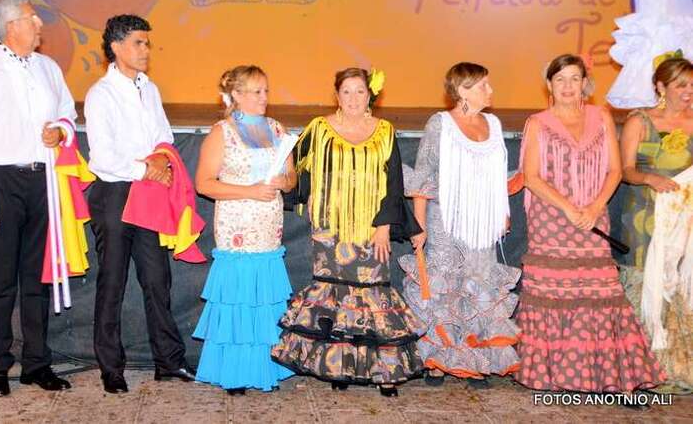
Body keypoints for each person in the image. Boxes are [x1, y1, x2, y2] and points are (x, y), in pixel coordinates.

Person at [515, 54, 664, 395]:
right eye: (560, 79)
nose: (567, 86)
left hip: (594, 217)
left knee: (601, 294)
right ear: (549, 85)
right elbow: (532, 177)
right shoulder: (537, 122)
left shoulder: (601, 117)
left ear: (585, 83)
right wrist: (568, 208)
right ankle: (554, 375)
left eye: (574, 78)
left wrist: (596, 207)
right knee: (555, 295)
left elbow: (615, 170)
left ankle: (603, 376)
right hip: (552, 220)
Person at [271, 68, 425, 397]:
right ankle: (338, 366)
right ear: (337, 95)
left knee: (374, 296)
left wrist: (384, 226)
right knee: (335, 297)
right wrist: (297, 183)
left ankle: (385, 372)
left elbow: (394, 183)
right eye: (346, 91)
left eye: (359, 91)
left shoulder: (385, 131)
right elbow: (295, 162)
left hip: (371, 230)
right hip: (331, 229)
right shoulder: (319, 128)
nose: (353, 98)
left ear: (370, 95)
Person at [0, 0, 74, 397]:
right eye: (31, 18)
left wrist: (60, 131)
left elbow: (68, 112)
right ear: (10, 27)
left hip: (43, 180)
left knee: (38, 277)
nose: (39, 24)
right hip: (1, 181)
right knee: (1, 279)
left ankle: (37, 364)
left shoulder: (48, 67)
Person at [84, 15, 195, 394]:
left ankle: (169, 361)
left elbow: (164, 134)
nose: (146, 50)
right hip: (115, 194)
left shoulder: (150, 88)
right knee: (112, 282)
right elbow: (102, 158)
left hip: (148, 193)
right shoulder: (101, 94)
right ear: (116, 47)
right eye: (138, 43)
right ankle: (111, 368)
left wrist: (161, 158)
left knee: (157, 279)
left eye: (147, 43)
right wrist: (146, 168)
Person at [399, 62, 520, 390]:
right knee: (444, 290)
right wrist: (419, 225)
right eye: (483, 85)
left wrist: (503, 212)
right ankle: (438, 362)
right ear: (463, 90)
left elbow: (498, 175)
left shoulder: (493, 124)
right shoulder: (440, 124)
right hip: (445, 222)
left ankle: (474, 361)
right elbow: (423, 176)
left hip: (481, 224)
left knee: (477, 288)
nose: (490, 91)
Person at [193, 65, 296, 395]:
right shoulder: (221, 133)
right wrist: (249, 191)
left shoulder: (277, 128)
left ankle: (266, 367)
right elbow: (204, 183)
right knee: (238, 297)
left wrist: (284, 181)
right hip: (237, 223)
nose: (264, 97)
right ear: (236, 95)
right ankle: (234, 372)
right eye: (256, 91)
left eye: (266, 90)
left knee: (263, 297)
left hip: (268, 225)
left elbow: (292, 178)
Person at [619, 55, 693, 393]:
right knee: (644, 278)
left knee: (678, 281)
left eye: (692, 86)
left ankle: (673, 366)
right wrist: (650, 178)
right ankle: (638, 365)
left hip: (684, 220)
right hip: (644, 218)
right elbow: (626, 171)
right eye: (681, 85)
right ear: (661, 87)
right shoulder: (640, 121)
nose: (688, 92)